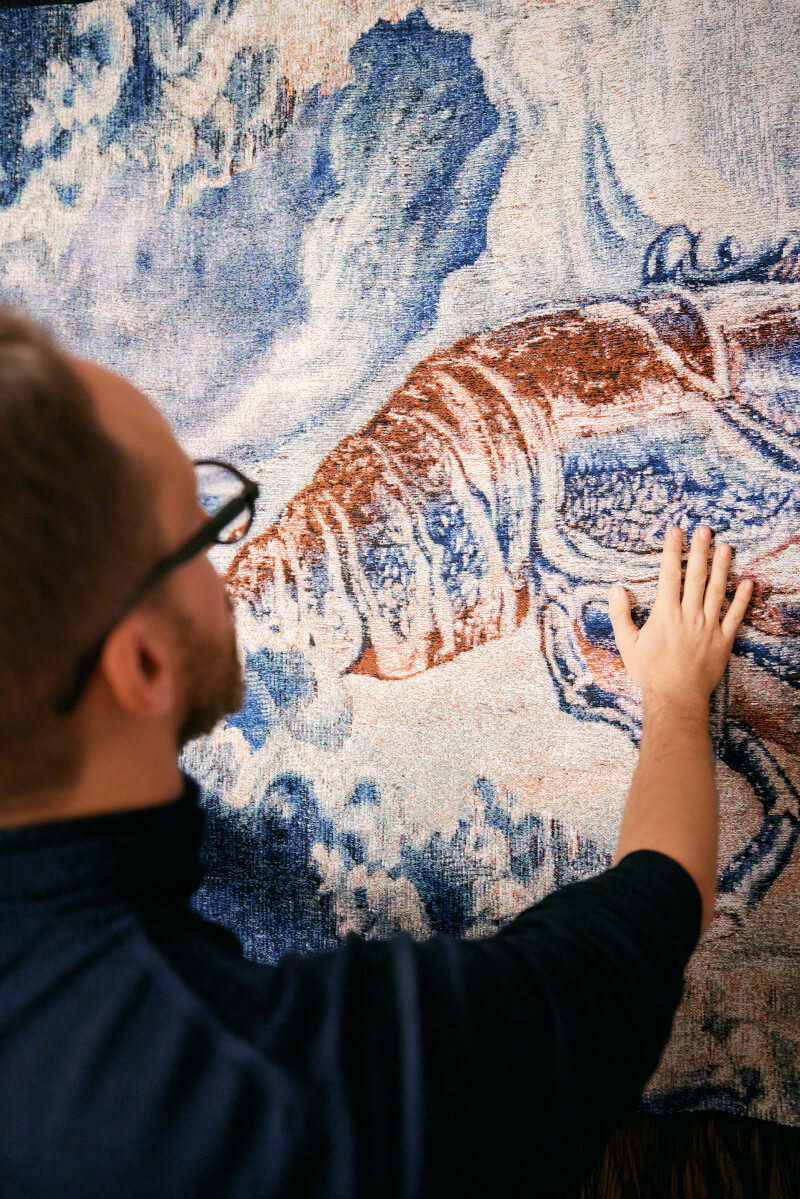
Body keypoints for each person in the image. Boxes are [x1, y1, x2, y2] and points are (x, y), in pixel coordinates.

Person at [0, 304, 754, 1199]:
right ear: (141, 662)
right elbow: (644, 920)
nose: (233, 561)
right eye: (206, 530)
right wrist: (674, 693)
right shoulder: (303, 1103)